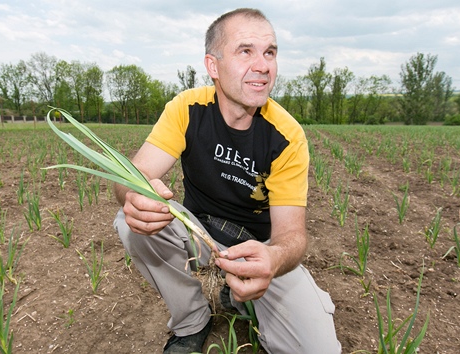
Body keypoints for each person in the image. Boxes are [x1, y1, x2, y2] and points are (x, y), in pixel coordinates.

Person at [113, 8, 341, 354]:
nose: (263, 65)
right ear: (213, 66)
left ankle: (247, 300)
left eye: (270, 52)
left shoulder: (287, 136)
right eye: (245, 51)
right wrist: (135, 194)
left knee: (317, 350)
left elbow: (291, 236)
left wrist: (273, 260)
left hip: (257, 248)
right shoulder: (187, 109)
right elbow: (133, 175)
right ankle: (192, 322)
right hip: (199, 235)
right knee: (130, 223)